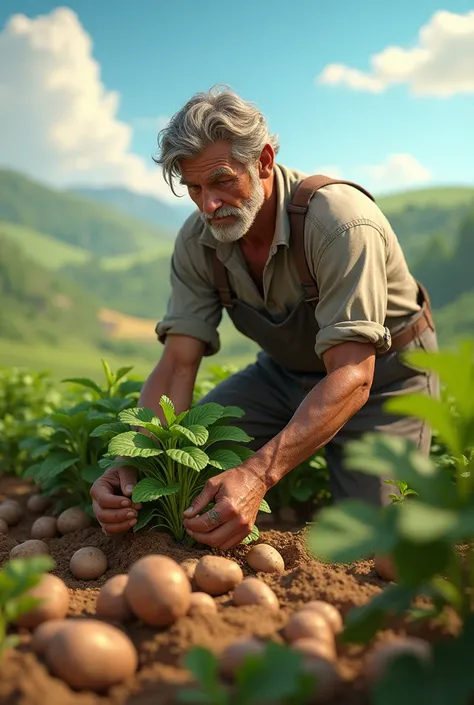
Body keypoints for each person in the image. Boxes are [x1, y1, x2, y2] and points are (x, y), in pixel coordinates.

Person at [90, 85, 439, 549]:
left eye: (221, 180)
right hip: (282, 375)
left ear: (264, 161)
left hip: (386, 380)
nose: (208, 204)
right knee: (181, 480)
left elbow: (355, 375)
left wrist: (258, 473)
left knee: (377, 542)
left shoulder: (339, 223)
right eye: (194, 188)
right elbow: (176, 363)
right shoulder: (198, 242)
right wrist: (136, 463)